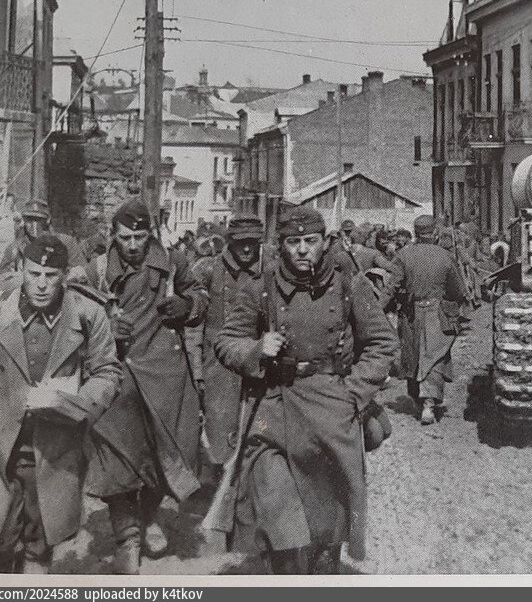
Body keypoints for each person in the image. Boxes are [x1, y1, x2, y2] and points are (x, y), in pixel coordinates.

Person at [213, 206, 397, 574]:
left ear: (325, 243)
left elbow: (382, 342)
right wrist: (255, 349)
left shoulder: (349, 285)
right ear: (279, 245)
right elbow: (227, 340)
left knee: (328, 507)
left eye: (310, 241)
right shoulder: (261, 287)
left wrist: (353, 392)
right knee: (275, 500)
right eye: (292, 242)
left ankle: (324, 563)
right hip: (275, 404)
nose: (301, 250)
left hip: (332, 406)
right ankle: (286, 568)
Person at [0, 235, 121, 573]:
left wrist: (72, 403)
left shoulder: (88, 314)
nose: (41, 284)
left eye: (51, 275)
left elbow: (108, 372)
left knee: (41, 541)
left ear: (65, 275)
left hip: (54, 449)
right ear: (21, 270)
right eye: (33, 273)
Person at [84, 198, 209, 574]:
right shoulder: (97, 269)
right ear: (113, 235)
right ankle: (127, 537)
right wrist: (103, 325)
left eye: (140, 237)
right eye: (125, 238)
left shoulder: (173, 261)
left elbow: (201, 295)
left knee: (166, 451)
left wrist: (187, 305)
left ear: (151, 233)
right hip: (116, 374)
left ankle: (149, 515)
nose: (133, 245)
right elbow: (75, 312)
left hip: (165, 373)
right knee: (116, 454)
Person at [192, 215, 271, 470]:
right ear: (229, 241)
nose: (246, 249)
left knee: (259, 431)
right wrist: (197, 371)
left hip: (259, 364)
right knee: (219, 433)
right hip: (218, 368)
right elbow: (194, 327)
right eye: (240, 242)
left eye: (252, 242)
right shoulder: (208, 270)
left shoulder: (270, 271)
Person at [382, 214, 468, 425]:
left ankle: (417, 400)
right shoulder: (445, 256)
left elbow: (392, 287)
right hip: (437, 313)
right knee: (434, 357)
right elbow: (457, 290)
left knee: (413, 355)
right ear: (435, 232)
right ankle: (429, 403)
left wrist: (377, 309)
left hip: (411, 314)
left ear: (415, 233)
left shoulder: (403, 255)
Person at [0, 199, 88, 286]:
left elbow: (84, 274)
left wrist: (67, 277)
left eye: (38, 220)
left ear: (47, 220)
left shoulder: (66, 243)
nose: (34, 225)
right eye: (29, 219)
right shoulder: (15, 248)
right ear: (24, 221)